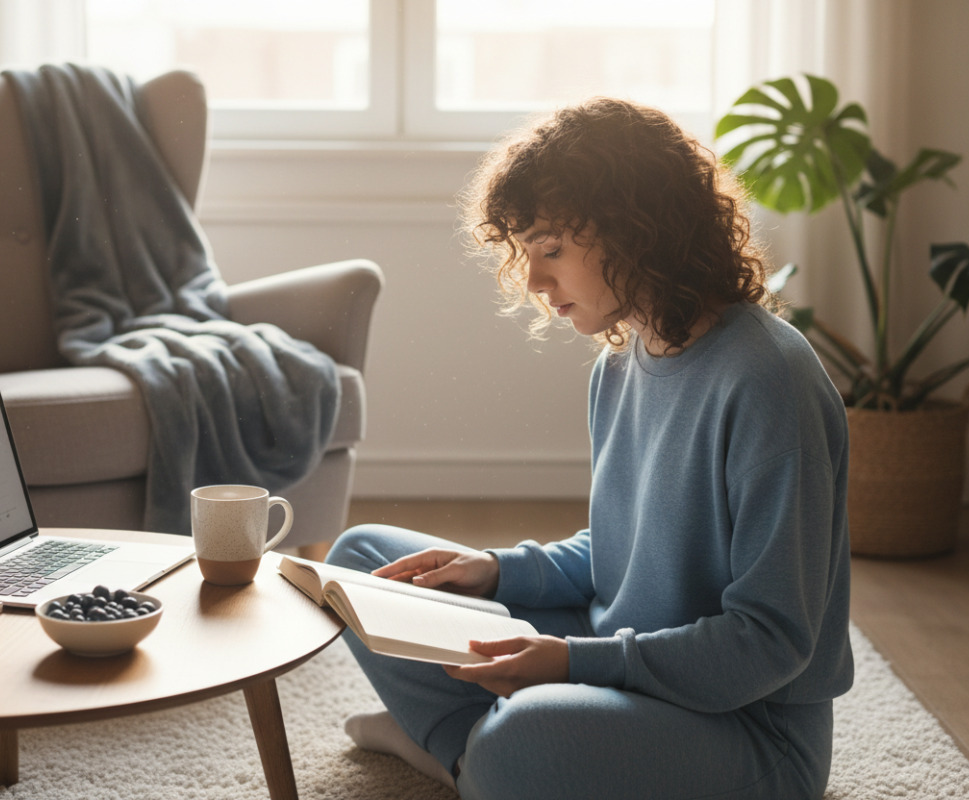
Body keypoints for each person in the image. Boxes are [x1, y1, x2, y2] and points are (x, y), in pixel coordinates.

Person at [326, 96, 854, 799]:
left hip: (751, 729)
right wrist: (493, 570)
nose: (538, 284)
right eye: (528, 255)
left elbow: (770, 643)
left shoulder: (769, 382)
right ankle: (472, 755)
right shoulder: (622, 361)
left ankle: (466, 749)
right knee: (362, 561)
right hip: (626, 649)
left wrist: (572, 664)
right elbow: (618, 550)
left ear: (640, 229)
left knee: (527, 736)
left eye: (552, 250)